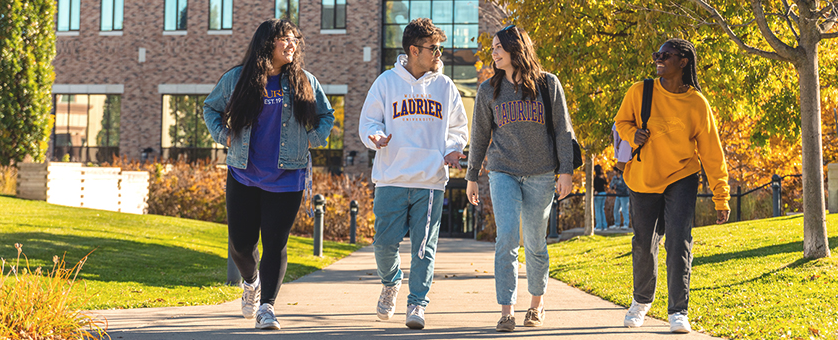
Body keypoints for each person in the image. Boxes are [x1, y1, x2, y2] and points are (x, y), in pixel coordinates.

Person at [203, 19, 335, 330]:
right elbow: (211, 108)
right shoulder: (238, 78)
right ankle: (251, 282)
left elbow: (326, 115)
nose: (292, 44)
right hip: (244, 173)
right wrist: (223, 135)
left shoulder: (305, 81)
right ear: (267, 43)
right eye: (285, 39)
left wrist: (311, 140)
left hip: (287, 177)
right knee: (240, 244)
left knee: (275, 244)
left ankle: (267, 307)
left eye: (294, 39)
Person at [358, 18, 469, 330]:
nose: (439, 54)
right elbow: (368, 122)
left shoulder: (445, 86)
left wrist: (453, 148)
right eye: (433, 48)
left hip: (430, 180)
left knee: (424, 249)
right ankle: (391, 281)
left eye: (439, 48)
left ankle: (417, 302)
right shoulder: (385, 83)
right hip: (391, 177)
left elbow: (458, 128)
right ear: (413, 50)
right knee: (383, 244)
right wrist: (375, 137)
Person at [614, 38, 730, 334]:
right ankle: (641, 301)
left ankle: (678, 311)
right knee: (644, 243)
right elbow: (621, 122)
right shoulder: (640, 91)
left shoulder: (696, 103)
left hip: (681, 176)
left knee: (679, 241)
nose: (659, 59)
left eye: (666, 55)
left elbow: (712, 153)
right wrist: (632, 134)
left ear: (683, 61)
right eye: (658, 54)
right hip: (643, 177)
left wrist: (721, 197)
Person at [465, 25, 574, 333]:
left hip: (541, 173)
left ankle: (536, 305)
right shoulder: (488, 90)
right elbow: (479, 136)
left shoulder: (548, 84)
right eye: (492, 48)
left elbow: (563, 129)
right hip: (503, 171)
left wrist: (566, 171)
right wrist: (472, 176)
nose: (493, 53)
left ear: (516, 49)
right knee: (507, 239)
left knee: (536, 243)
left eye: (498, 47)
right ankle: (506, 312)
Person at [593, 164, 608, 231]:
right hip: (604, 193)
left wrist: (595, 194)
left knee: (598, 210)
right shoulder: (603, 177)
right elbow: (606, 184)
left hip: (598, 194)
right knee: (602, 210)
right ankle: (604, 226)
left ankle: (598, 226)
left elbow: (596, 188)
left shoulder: (596, 178)